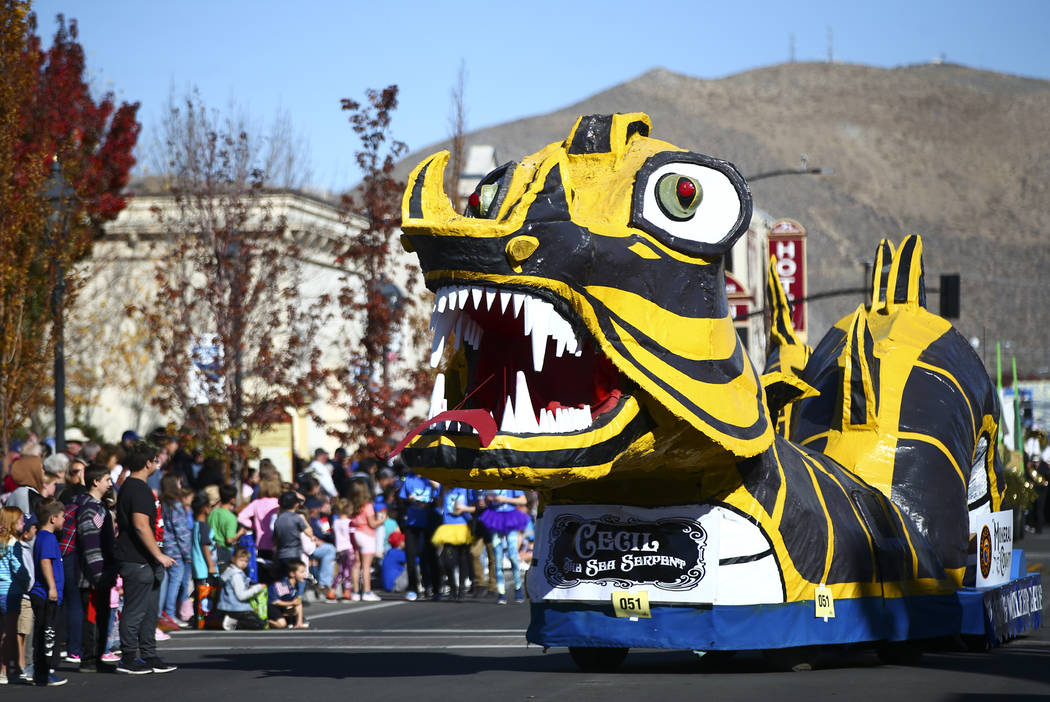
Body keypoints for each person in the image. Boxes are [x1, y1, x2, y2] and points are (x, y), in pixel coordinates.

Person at [113, 440, 177, 675]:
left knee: (150, 611)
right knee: (136, 610)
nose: (158, 464)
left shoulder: (136, 487)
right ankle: (129, 657)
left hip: (146, 561)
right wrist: (158, 554)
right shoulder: (137, 489)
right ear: (148, 463)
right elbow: (141, 526)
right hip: (136, 559)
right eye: (156, 460)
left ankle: (149, 654)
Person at [74, 465, 116, 673]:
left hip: (103, 574)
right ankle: (89, 659)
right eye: (107, 479)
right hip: (92, 577)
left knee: (102, 617)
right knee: (92, 619)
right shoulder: (90, 509)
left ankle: (97, 658)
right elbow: (90, 543)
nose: (110, 483)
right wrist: (99, 574)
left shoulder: (100, 507)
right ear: (95, 482)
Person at [29, 499, 67, 686]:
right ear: (52, 518)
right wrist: (52, 587)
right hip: (45, 595)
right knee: (48, 633)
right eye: (62, 517)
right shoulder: (48, 538)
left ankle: (42, 672)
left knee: (45, 632)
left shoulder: (44, 537)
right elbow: (45, 562)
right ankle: (44, 673)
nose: (64, 521)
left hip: (45, 594)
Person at [479, 489, 529, 604]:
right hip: (494, 517)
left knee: (513, 555)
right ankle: (501, 592)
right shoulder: (491, 483)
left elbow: (523, 500)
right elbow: (483, 501)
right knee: (498, 557)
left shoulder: (510, 482)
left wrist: (504, 499)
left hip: (510, 517)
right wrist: (486, 501)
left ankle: (518, 587)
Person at [398, 471, 439, 601]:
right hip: (412, 522)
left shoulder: (432, 478)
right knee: (410, 555)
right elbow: (402, 500)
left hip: (429, 521)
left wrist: (433, 484)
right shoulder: (409, 479)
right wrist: (411, 502)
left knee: (429, 555)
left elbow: (440, 496)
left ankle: (434, 588)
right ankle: (413, 588)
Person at [158, 476, 191, 631]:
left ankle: (165, 613)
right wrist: (187, 553)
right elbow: (182, 532)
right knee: (175, 582)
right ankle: (170, 614)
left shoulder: (162, 504)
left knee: (167, 581)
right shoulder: (175, 505)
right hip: (176, 550)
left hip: (164, 548)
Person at [432, 486, 475, 601]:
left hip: (463, 527)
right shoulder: (443, 487)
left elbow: (476, 507)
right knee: (448, 561)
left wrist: (464, 509)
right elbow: (439, 505)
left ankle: (461, 590)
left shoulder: (466, 488)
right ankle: (452, 586)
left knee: (463, 560)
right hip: (447, 528)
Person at [349, 480, 386, 602]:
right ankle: (367, 591)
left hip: (355, 533)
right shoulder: (367, 505)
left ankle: (355, 592)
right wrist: (382, 520)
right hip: (366, 535)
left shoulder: (352, 505)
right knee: (366, 566)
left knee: (356, 564)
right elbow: (372, 524)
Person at [0, 506, 25, 684]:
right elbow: (18, 568)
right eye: (21, 520)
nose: (23, 524)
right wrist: (28, 582)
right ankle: (4, 669)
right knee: (9, 633)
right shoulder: (12, 544)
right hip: (11, 592)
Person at [216, 547, 266, 631]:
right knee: (259, 624)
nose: (243, 563)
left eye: (246, 561)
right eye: (241, 560)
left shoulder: (229, 571)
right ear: (233, 559)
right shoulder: (236, 575)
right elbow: (241, 596)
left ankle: (230, 620)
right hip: (237, 607)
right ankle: (233, 623)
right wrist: (257, 588)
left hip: (226, 606)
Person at [190, 493, 219, 627]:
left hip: (198, 568)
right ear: (205, 508)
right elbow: (206, 546)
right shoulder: (204, 526)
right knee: (205, 597)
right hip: (204, 568)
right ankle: (203, 621)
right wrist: (211, 566)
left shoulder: (195, 525)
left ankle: (199, 620)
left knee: (199, 596)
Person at [209, 484, 244, 572]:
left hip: (210, 549)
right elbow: (229, 540)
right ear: (232, 499)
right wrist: (240, 533)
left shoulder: (213, 512)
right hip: (223, 551)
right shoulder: (231, 517)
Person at [272, 491, 309, 575]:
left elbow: (275, 540)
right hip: (294, 554)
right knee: (296, 577)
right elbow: (308, 532)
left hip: (281, 555)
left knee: (284, 579)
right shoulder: (297, 518)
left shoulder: (278, 520)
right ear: (296, 504)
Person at [267, 560, 308, 629]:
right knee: (282, 624)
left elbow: (298, 601)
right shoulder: (283, 584)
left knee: (298, 603)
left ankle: (299, 623)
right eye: (302, 572)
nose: (305, 574)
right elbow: (275, 602)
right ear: (292, 574)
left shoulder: (296, 584)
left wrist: (294, 603)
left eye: (305, 572)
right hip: (271, 606)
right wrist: (291, 603)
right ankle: (265, 622)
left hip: (283, 606)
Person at [331, 499, 355, 600]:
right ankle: (347, 591)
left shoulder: (335, 522)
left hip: (339, 549)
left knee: (340, 571)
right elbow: (352, 536)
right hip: (349, 548)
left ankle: (332, 590)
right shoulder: (350, 522)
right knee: (348, 571)